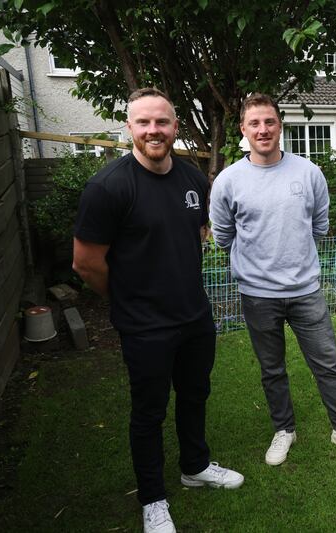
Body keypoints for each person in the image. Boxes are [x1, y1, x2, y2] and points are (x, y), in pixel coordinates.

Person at [73, 88, 243, 533]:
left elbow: (194, 235)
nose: (154, 130)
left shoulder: (192, 179)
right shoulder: (108, 187)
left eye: (162, 122)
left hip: (194, 316)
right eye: (144, 122)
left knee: (195, 394)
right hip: (144, 325)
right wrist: (127, 298)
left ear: (175, 127)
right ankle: (152, 499)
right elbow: (86, 263)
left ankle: (195, 466)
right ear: (129, 127)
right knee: (149, 413)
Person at [209, 93, 336, 467]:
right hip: (257, 294)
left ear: (279, 125)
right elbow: (222, 235)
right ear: (243, 129)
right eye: (254, 123)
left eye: (269, 121)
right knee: (272, 370)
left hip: (306, 291)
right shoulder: (228, 181)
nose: (263, 129)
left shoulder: (308, 172)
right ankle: (284, 430)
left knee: (327, 364)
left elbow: (319, 225)